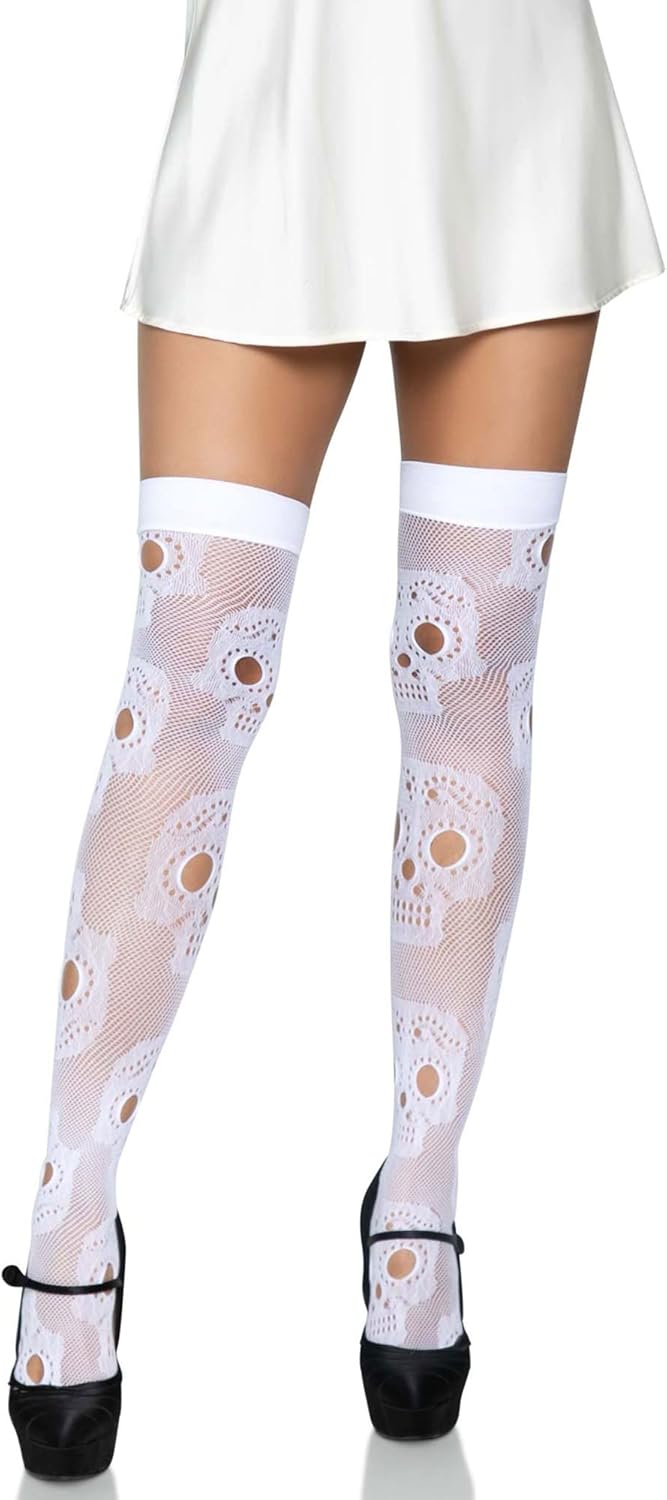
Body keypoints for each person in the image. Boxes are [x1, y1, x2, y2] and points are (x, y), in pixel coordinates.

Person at [2, 0, 663, 1477]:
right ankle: (69, 1207)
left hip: (504, 80)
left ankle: (419, 1197)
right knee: (195, 665)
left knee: (471, 660)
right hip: (280, 73)